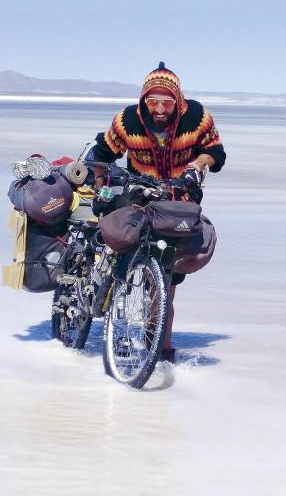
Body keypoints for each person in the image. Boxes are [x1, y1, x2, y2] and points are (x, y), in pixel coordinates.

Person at [86, 62, 226, 363]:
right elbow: (103, 152)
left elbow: (215, 152)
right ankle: (111, 299)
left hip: (179, 203)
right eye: (153, 102)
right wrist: (99, 187)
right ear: (143, 99)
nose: (160, 109)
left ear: (178, 100)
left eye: (167, 102)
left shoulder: (197, 117)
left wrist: (197, 165)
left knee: (167, 277)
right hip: (140, 198)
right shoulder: (127, 121)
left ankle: (161, 348)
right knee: (122, 249)